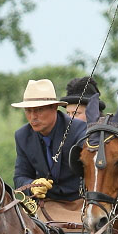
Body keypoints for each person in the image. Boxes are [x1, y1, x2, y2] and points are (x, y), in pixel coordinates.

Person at [12, 78, 86, 222]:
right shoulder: (22, 136)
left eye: (39, 110)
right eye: (28, 110)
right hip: (47, 206)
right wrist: (33, 186)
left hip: (81, 204)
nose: (33, 117)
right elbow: (19, 177)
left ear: (54, 107)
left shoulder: (79, 130)